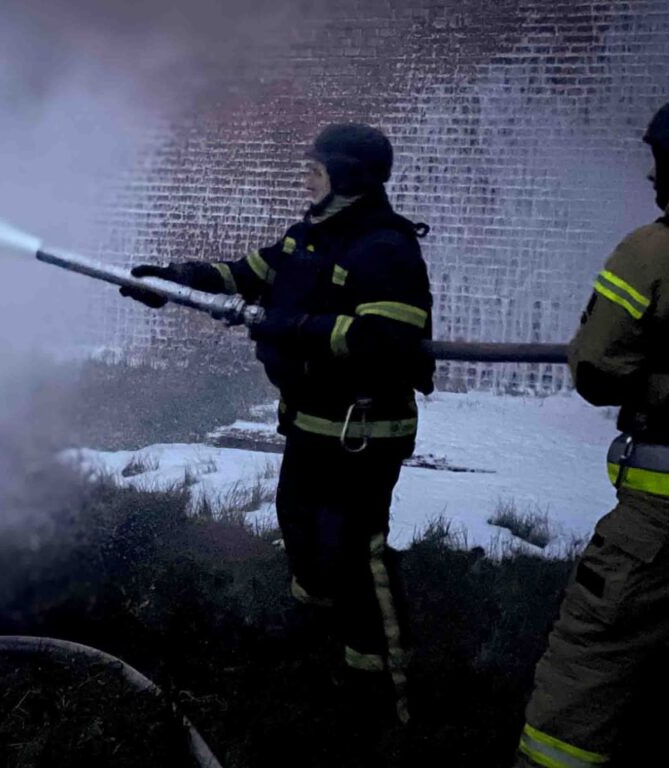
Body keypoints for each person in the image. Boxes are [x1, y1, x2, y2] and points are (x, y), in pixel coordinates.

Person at [121, 123, 435, 724]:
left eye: (317, 169)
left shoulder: (384, 249)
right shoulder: (305, 239)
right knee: (302, 535)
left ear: (349, 177)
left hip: (362, 430)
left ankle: (382, 688)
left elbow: (385, 339)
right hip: (310, 423)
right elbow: (245, 274)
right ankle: (319, 645)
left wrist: (291, 327)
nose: (306, 178)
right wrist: (175, 279)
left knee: (354, 552)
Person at [516, 97, 669, 767]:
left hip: (662, 517)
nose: (649, 175)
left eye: (656, 160)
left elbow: (596, 366)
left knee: (589, 661)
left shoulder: (655, 249)